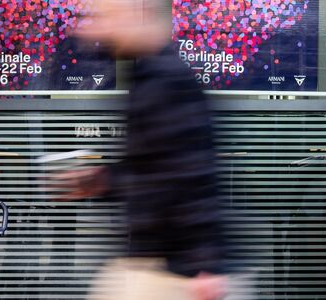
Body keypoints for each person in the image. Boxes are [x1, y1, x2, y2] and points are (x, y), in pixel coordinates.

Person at [53, 1, 227, 299]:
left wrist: (204, 263)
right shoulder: (147, 75)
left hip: (171, 268)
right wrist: (102, 180)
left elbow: (192, 173)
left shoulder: (165, 79)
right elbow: (152, 168)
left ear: (136, 17)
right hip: (154, 259)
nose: (99, 30)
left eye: (107, 19)